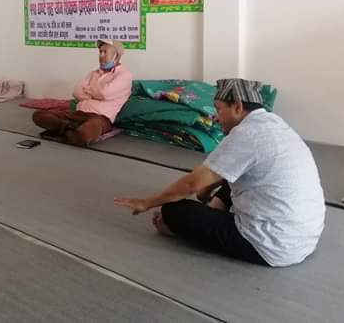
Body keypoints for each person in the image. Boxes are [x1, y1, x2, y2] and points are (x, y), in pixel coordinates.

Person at [114, 78, 325, 267]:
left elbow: (191, 184)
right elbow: (215, 177)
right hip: (304, 239)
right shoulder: (275, 124)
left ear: (238, 106)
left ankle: (183, 228)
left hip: (269, 245)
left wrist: (146, 202)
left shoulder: (246, 134)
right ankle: (214, 211)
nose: (215, 117)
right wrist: (206, 194)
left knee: (173, 210)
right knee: (232, 174)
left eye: (218, 109)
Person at [32, 40, 132, 147]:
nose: (101, 55)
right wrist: (95, 93)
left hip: (99, 118)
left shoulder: (124, 75)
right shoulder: (93, 73)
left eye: (105, 52)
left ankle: (67, 130)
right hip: (77, 114)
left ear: (116, 55)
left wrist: (87, 90)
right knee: (38, 115)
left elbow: (105, 93)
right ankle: (68, 128)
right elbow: (76, 91)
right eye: (100, 52)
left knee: (83, 135)